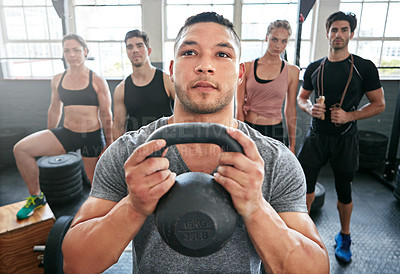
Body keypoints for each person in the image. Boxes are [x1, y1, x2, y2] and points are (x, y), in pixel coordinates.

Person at [62, 12, 329, 273]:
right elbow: (76, 263)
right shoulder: (130, 153)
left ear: (239, 73)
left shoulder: (274, 161)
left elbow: (314, 268)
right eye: (189, 53)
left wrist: (256, 208)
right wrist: (133, 206)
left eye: (222, 54)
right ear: (171, 70)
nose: (205, 65)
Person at [297, 11, 385, 263]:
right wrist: (308, 108)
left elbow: (379, 104)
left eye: (344, 30)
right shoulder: (315, 67)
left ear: (351, 34)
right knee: (306, 188)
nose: (338, 34)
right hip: (316, 137)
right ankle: (304, 234)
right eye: (334, 30)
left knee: (344, 191)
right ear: (327, 33)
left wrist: (350, 116)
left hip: (345, 138)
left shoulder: (364, 67)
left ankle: (344, 236)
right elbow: (301, 98)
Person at [13, 34, 113, 220]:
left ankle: (99, 218)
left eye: (76, 50)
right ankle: (36, 197)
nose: (71, 54)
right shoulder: (58, 79)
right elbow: (54, 108)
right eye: (67, 50)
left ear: (85, 52)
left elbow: (107, 114)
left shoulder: (97, 80)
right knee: (21, 149)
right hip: (67, 132)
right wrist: (50, 133)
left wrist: (109, 144)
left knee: (94, 184)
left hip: (90, 136)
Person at [236, 20, 299, 153]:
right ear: (266, 37)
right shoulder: (246, 67)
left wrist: (292, 144)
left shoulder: (292, 71)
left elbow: (290, 109)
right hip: (250, 129)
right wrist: (239, 137)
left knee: (273, 173)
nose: (278, 45)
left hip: (275, 131)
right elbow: (239, 108)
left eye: (284, 41)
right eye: (274, 39)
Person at [112, 29, 175, 138]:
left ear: (149, 51)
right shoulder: (121, 89)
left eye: (139, 45)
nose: (135, 50)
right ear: (127, 53)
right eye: (130, 47)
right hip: (136, 147)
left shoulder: (167, 80)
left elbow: (184, 115)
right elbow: (118, 127)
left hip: (166, 143)